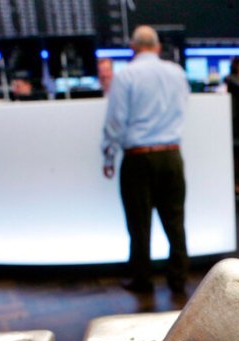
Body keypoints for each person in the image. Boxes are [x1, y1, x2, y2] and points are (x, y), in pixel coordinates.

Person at [101, 25, 190, 295]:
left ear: (133, 47)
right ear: (158, 47)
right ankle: (178, 279)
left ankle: (143, 280)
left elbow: (115, 121)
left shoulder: (126, 75)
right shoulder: (177, 73)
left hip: (138, 160)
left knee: (139, 225)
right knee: (175, 221)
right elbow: (183, 107)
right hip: (172, 155)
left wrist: (108, 153)